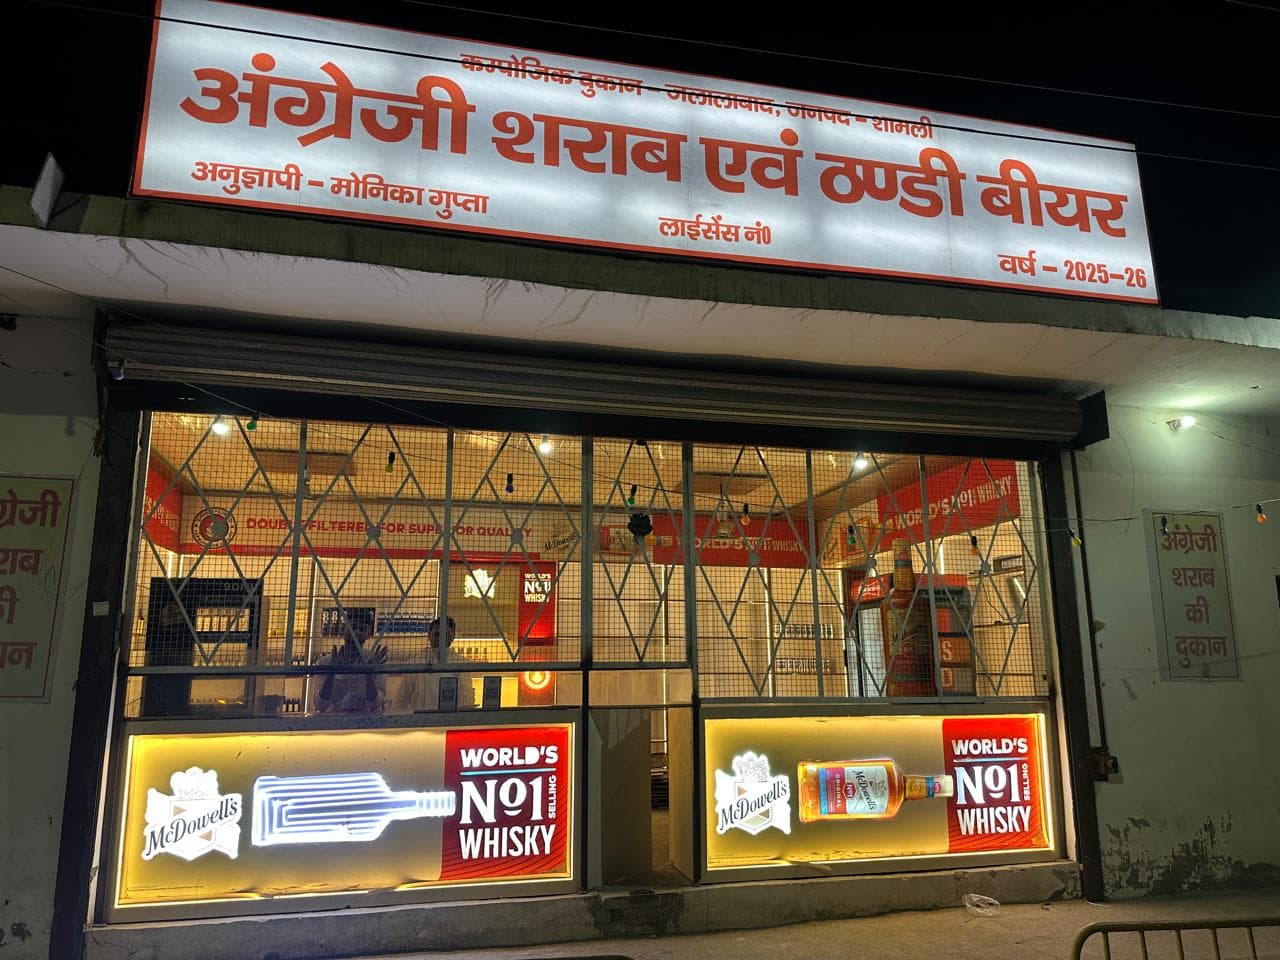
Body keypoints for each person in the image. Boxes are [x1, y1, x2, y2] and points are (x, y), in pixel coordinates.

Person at [312, 609, 388, 714]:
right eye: (353, 628)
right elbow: (320, 705)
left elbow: (375, 703)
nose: (357, 632)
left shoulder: (374, 662)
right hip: (333, 720)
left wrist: (369, 674)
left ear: (368, 634)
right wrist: (331, 674)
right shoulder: (324, 662)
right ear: (343, 630)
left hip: (366, 720)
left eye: (362, 629)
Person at [393, 616, 476, 712]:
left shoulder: (461, 664)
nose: (441, 638)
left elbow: (467, 700)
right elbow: (401, 699)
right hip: (421, 719)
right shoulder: (416, 663)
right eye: (437, 634)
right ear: (429, 636)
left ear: (453, 636)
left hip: (451, 719)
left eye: (446, 635)